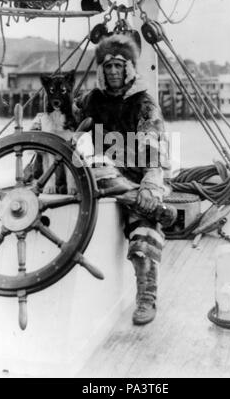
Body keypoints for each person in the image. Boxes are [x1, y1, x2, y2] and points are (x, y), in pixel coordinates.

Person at [75, 34, 169, 325]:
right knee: (98, 167)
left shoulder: (144, 103)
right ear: (100, 70)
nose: (113, 71)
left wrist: (151, 185)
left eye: (118, 65)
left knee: (143, 235)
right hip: (105, 175)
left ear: (129, 68)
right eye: (107, 66)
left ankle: (146, 298)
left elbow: (156, 150)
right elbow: (67, 127)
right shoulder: (91, 101)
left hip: (139, 178)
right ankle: (142, 204)